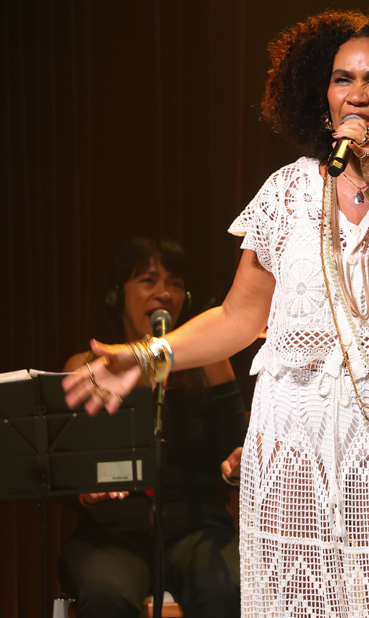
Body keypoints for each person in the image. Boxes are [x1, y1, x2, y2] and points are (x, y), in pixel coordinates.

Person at [62, 7, 369, 618]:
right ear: (323, 96)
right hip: (293, 443)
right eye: (342, 79)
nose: (356, 94)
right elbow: (238, 317)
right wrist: (147, 356)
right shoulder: (287, 190)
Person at [59, 238, 244, 618]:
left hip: (197, 529)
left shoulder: (210, 365)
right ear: (117, 296)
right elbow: (60, 470)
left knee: (226, 588)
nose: (164, 293)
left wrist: (238, 465)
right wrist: (86, 494)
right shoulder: (85, 367)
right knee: (105, 596)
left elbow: (234, 450)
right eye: (148, 280)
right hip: (112, 534)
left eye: (175, 283)